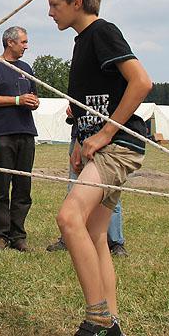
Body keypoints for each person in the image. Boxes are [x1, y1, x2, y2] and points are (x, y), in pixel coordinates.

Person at [45, 0, 152, 336]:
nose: (50, 12)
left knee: (68, 218)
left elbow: (141, 82)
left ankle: (97, 320)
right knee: (95, 235)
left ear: (77, 2)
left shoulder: (102, 32)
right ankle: (112, 323)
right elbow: (88, 104)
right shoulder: (81, 42)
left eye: (55, 5)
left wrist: (106, 133)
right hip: (96, 148)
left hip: (119, 146)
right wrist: (80, 139)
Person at [0, 26, 39, 251]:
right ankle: (1, 235)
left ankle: (18, 235)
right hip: (1, 133)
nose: (26, 46)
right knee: (2, 185)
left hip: (26, 132)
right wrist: (16, 100)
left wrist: (33, 101)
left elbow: (32, 95)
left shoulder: (27, 69)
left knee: (23, 186)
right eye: (23, 42)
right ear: (10, 42)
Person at [47, 105, 128, 257]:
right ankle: (68, 238)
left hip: (107, 141)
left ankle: (116, 242)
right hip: (79, 138)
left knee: (109, 193)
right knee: (74, 189)